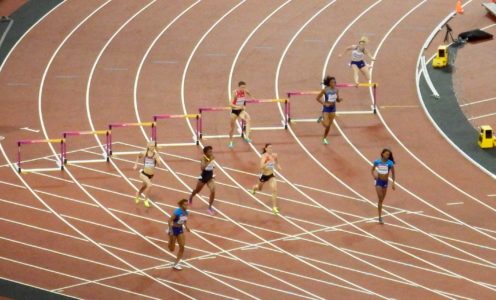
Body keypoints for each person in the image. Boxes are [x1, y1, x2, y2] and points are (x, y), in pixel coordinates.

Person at [251, 144, 282, 215]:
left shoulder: (274, 155)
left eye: (271, 147)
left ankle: (274, 207)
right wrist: (267, 164)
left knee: (274, 190)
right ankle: (253, 189)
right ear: (266, 149)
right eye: (269, 148)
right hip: (264, 176)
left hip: (271, 175)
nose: (271, 149)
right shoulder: (264, 157)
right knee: (259, 188)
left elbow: (276, 161)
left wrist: (278, 165)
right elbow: (261, 167)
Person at [188, 146, 216, 215]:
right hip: (203, 178)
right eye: (209, 152)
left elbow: (213, 166)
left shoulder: (212, 157)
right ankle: (191, 197)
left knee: (213, 190)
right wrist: (209, 162)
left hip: (210, 177)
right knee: (197, 191)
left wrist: (212, 164)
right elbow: (202, 168)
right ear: (205, 153)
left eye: (211, 151)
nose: (211, 153)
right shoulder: (203, 158)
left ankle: (209, 207)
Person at [371, 148, 396, 224]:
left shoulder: (390, 163)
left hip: (385, 182)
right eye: (386, 154)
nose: (387, 156)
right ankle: (380, 217)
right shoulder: (377, 162)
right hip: (378, 181)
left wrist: (393, 182)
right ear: (382, 154)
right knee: (380, 197)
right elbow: (372, 170)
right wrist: (374, 175)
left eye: (389, 155)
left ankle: (379, 216)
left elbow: (393, 174)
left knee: (381, 200)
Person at [133, 140, 160, 208]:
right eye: (151, 146)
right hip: (144, 174)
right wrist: (135, 165)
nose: (153, 147)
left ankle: (138, 194)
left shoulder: (156, 155)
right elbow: (138, 156)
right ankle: (146, 200)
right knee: (150, 185)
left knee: (144, 187)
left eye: (154, 146)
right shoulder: (145, 153)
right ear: (148, 146)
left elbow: (159, 165)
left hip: (151, 175)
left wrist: (157, 159)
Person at [316, 76, 342, 145]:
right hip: (326, 109)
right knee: (326, 125)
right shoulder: (325, 90)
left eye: (335, 82)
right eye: (332, 82)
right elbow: (317, 98)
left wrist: (339, 100)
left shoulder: (336, 90)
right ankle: (321, 119)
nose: (334, 83)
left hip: (333, 109)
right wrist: (324, 103)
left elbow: (337, 99)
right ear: (329, 83)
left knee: (329, 126)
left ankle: (324, 138)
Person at [167, 199, 190, 270]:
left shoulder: (186, 212)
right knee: (172, 249)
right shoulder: (177, 212)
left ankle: (176, 264)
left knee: (182, 246)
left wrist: (186, 227)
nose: (186, 206)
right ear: (181, 205)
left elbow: (184, 220)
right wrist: (170, 230)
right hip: (173, 229)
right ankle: (170, 241)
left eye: (187, 204)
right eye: (185, 204)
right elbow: (169, 221)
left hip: (180, 230)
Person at [228, 81, 252, 148]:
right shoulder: (235, 93)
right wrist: (237, 107)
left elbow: (248, 92)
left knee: (248, 119)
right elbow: (230, 104)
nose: (243, 89)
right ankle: (230, 142)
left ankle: (246, 137)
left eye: (244, 87)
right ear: (238, 87)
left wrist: (252, 97)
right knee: (232, 128)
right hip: (234, 111)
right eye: (242, 87)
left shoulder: (244, 91)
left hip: (241, 111)